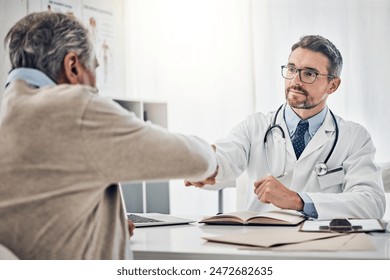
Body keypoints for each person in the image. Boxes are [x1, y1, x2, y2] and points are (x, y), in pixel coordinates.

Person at [0, 12, 217, 259]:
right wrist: (213, 156)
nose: (97, 86)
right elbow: (196, 160)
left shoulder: (9, 110)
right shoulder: (74, 106)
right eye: (94, 68)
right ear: (72, 66)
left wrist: (105, 225)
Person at [186, 35, 386, 220]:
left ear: (332, 85)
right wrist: (207, 163)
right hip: (260, 245)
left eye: (309, 73)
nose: (295, 81)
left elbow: (372, 202)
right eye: (291, 69)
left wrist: (299, 200)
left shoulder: (354, 137)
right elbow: (227, 155)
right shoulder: (255, 126)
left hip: (321, 246)